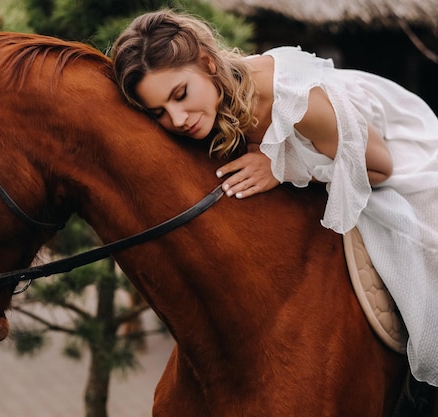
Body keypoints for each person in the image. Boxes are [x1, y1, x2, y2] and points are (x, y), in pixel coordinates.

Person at [110, 9, 438, 386]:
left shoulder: (296, 104)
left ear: (207, 63)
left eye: (180, 95)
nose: (179, 118)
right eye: (160, 112)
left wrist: (282, 167)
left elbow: (381, 168)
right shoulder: (212, 100)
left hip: (395, 158)